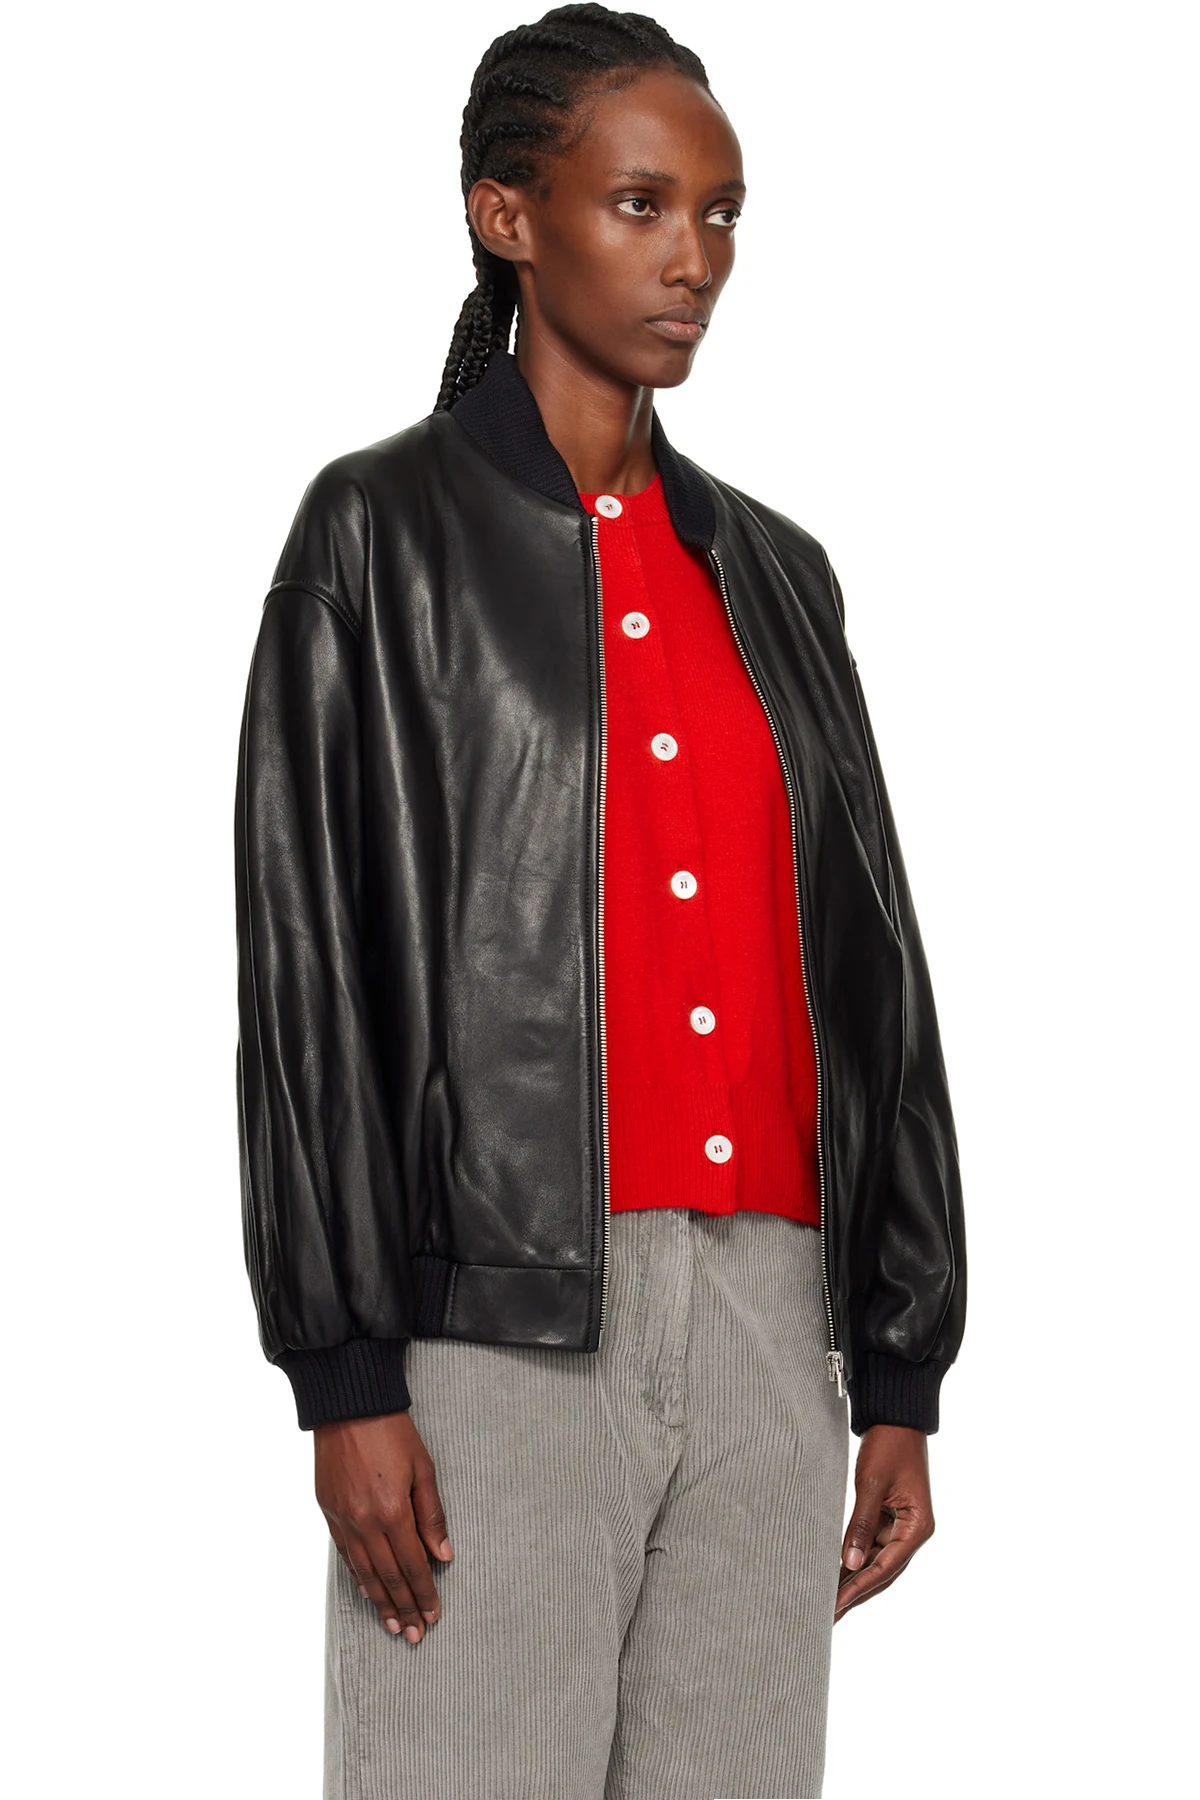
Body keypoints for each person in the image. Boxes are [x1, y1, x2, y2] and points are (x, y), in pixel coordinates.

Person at [233, 6, 967, 1796]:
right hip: (495, 1335)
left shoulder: (778, 574)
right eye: (641, 205)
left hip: (770, 1330)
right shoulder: (377, 536)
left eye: (721, 214)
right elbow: (308, 975)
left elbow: (876, 969)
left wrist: (897, 1367)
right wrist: (348, 1376)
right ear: (509, 216)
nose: (692, 257)